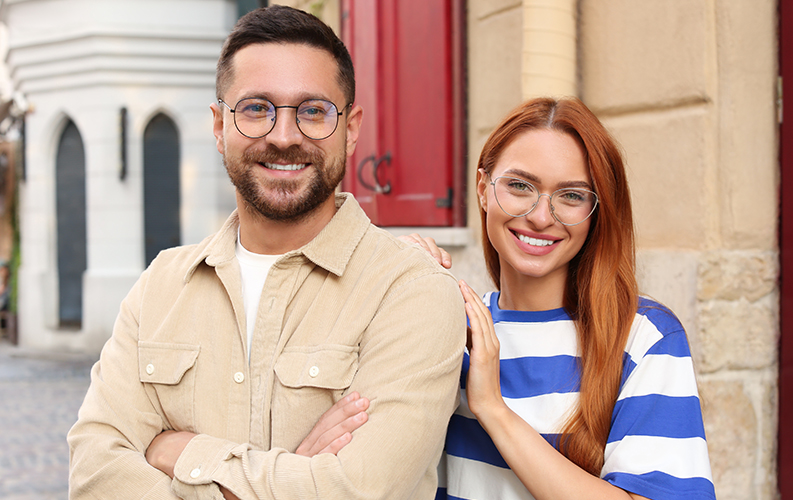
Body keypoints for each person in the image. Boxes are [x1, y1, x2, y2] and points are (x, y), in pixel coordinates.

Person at [67, 6, 465, 500]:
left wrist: (181, 453)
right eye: (256, 108)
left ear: (352, 126)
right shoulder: (162, 285)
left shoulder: (410, 291)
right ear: (219, 127)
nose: (284, 136)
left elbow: (358, 490)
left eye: (313, 111)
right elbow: (93, 474)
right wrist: (294, 474)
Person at [408, 97, 716, 500]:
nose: (540, 216)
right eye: (520, 186)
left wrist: (494, 410)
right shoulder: (449, 329)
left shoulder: (645, 336)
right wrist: (390, 288)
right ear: (483, 190)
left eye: (571, 196)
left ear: (595, 212)